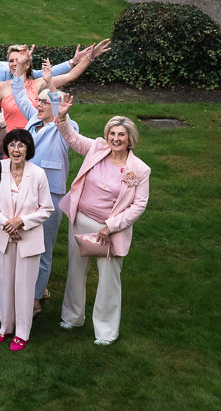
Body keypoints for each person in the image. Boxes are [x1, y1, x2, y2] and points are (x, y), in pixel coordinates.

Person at [56, 101, 150, 345]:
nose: (115, 138)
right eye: (112, 133)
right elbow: (73, 139)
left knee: (109, 279)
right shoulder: (97, 148)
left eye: (121, 135)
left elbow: (138, 205)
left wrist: (112, 226)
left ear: (130, 139)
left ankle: (106, 332)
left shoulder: (139, 169)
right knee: (75, 270)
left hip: (109, 231)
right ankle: (72, 317)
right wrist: (63, 117)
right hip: (80, 220)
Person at [0, 128, 53, 349]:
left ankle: (22, 332)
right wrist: (6, 223)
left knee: (24, 286)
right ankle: (5, 326)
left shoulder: (38, 174)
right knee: (4, 283)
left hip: (28, 238)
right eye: (12, 144)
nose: (16, 149)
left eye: (21, 145)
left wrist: (20, 221)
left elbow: (47, 209)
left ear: (28, 149)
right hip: (4, 236)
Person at [16, 85, 76, 312]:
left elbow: (65, 126)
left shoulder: (67, 127)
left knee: (43, 248)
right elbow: (20, 96)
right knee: (22, 243)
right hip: (24, 189)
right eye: (39, 101)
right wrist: (20, 69)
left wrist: (51, 87)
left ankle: (35, 297)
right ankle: (20, 290)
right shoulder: (33, 120)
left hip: (50, 194)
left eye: (44, 102)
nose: (38, 105)